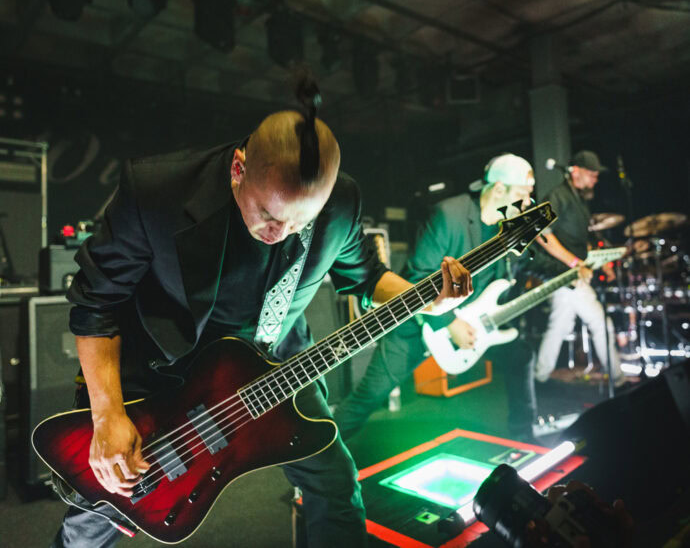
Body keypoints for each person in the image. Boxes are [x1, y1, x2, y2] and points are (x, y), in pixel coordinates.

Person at [50, 76, 473, 548]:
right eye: (269, 216)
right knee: (104, 509)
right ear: (238, 168)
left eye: (300, 221)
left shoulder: (341, 203)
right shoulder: (157, 191)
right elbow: (96, 302)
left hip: (276, 367)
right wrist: (106, 414)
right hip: (166, 370)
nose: (282, 233)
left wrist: (427, 296)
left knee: (336, 485)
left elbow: (367, 277)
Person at [334, 153, 539, 443]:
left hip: (472, 325)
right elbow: (417, 276)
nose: (528, 201)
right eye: (521, 193)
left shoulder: (507, 228)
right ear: (498, 189)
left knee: (520, 355)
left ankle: (525, 437)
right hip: (417, 325)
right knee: (369, 396)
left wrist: (569, 270)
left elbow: (508, 276)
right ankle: (316, 456)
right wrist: (450, 323)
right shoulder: (449, 215)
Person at [534, 150, 623, 385]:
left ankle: (539, 377)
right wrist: (574, 262)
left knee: (559, 327)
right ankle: (618, 379)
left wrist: (601, 264)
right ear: (576, 172)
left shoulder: (580, 201)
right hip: (566, 274)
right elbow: (540, 232)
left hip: (571, 275)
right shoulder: (558, 196)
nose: (595, 178)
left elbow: (579, 241)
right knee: (600, 324)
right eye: (591, 174)